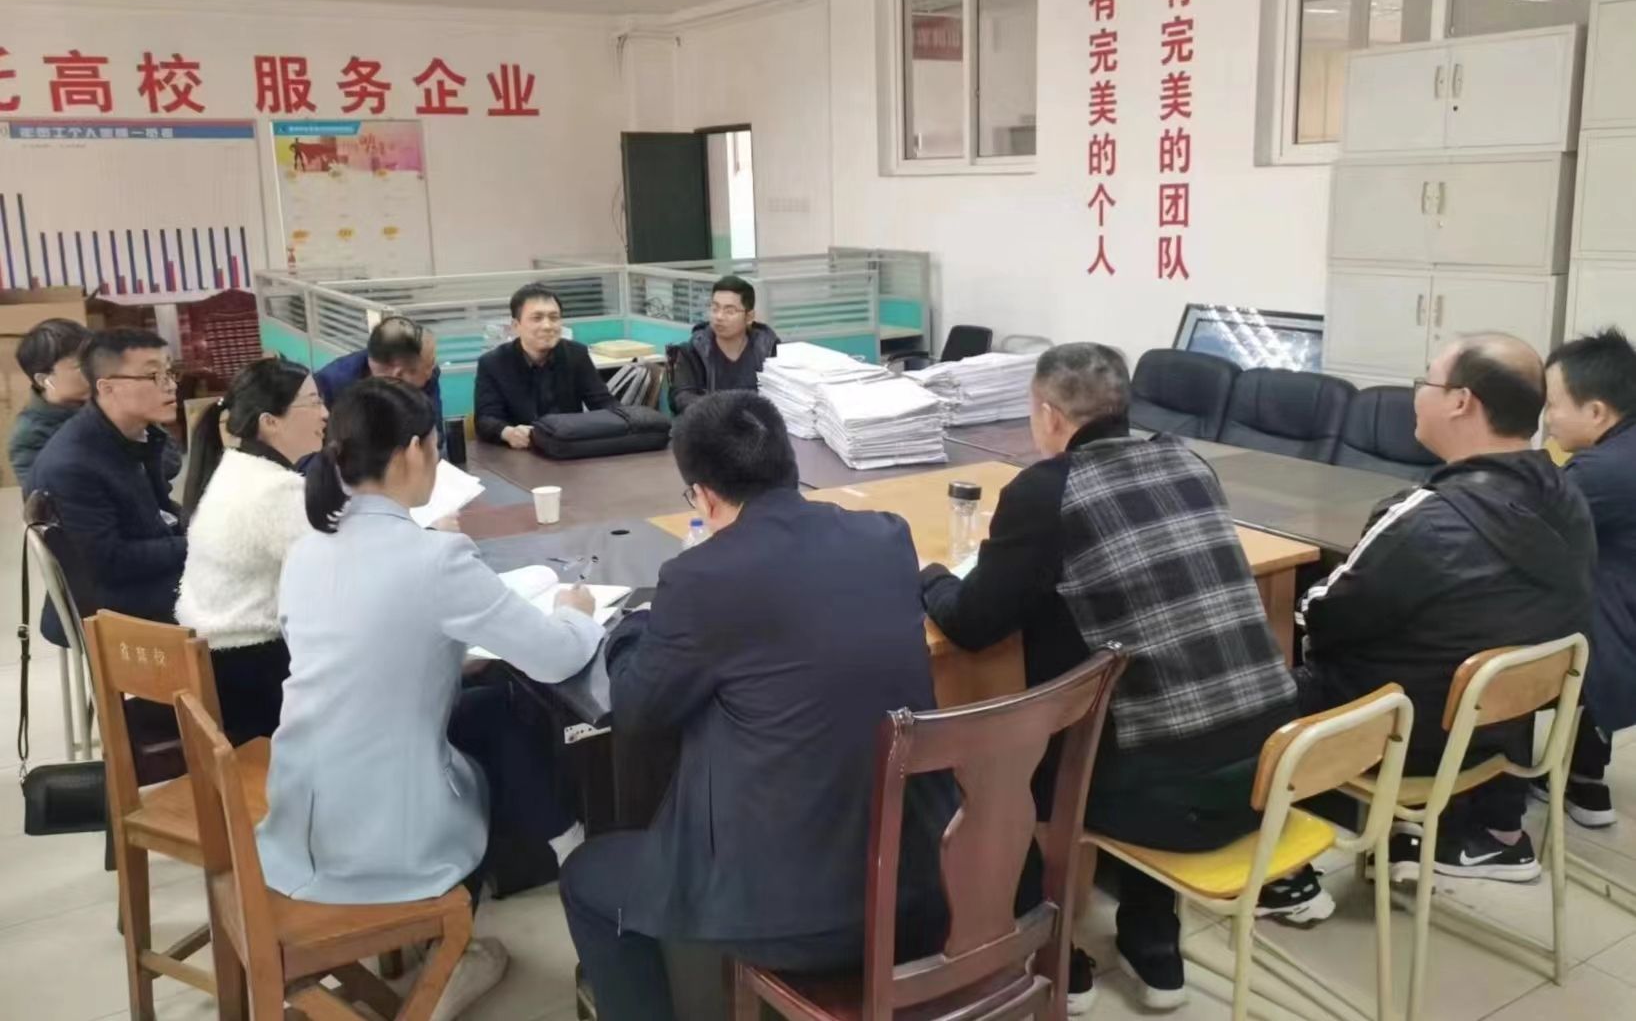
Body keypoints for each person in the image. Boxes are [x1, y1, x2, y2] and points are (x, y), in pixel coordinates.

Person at [920, 343, 1305, 1014]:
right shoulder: (1188, 462)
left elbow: (974, 623)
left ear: (1047, 414)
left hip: (1169, 800)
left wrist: (927, 578)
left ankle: (1055, 955)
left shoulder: (1046, 490)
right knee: (1152, 703)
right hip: (1271, 772)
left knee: (1009, 766)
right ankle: (1155, 950)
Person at [562, 392, 948, 1021]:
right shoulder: (885, 535)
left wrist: (633, 627)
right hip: (924, 882)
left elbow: (636, 710)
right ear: (790, 464)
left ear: (704, 497)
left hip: (800, 919)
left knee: (588, 877)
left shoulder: (702, 577)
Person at [257, 378, 603, 1021]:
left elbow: (357, 653)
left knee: (487, 706)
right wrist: (573, 610)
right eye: (436, 449)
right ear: (415, 451)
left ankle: (561, 853)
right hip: (385, 832)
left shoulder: (307, 551)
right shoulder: (434, 557)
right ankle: (562, 862)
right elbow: (558, 656)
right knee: (509, 711)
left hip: (300, 810)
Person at [1298, 334, 1595, 882]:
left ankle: (1279, 866)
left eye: (1425, 381)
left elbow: (1323, 617)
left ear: (1461, 401)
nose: (1417, 395)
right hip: (1501, 729)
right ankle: (1470, 831)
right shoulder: (1568, 496)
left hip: (1404, 736)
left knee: (1253, 678)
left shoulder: (1423, 519)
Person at [174, 359, 328, 744]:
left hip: (217, 661)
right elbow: (332, 578)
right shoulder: (276, 490)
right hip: (254, 672)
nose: (325, 413)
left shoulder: (236, 468)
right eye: (313, 402)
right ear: (270, 422)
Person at [28, 329, 187, 629]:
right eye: (153, 375)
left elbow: (158, 512)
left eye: (170, 372)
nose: (170, 386)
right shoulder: (73, 465)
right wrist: (194, 545)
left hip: (139, 578)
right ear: (107, 387)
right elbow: (108, 561)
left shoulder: (135, 433)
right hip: (107, 604)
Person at [1543, 327, 1636, 828]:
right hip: (1625, 624)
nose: (1548, 417)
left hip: (1611, 637)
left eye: (1554, 404)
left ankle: (1496, 796)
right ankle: (1585, 775)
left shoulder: (1601, 471)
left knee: (1497, 610)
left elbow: (1527, 531)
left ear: (1597, 411)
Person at [474, 283, 615, 449]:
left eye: (554, 318)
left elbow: (604, 403)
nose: (547, 326)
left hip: (567, 449)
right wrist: (508, 433)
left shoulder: (576, 355)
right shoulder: (493, 363)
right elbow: (485, 419)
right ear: (516, 326)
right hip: (520, 452)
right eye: (537, 318)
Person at [314, 314, 443, 445]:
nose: (432, 370)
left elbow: (434, 436)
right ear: (398, 374)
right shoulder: (331, 384)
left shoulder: (425, 374)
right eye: (429, 365)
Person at [667, 274, 780, 413]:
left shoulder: (768, 348)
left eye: (729, 311)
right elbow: (681, 397)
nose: (719, 317)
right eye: (715, 309)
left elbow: (785, 396)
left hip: (759, 423)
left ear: (749, 317)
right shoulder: (695, 350)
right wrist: (722, 411)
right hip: (710, 423)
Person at [9, 317, 91, 490]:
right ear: (44, 380)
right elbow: (45, 495)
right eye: (81, 366)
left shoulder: (106, 404)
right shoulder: (31, 434)